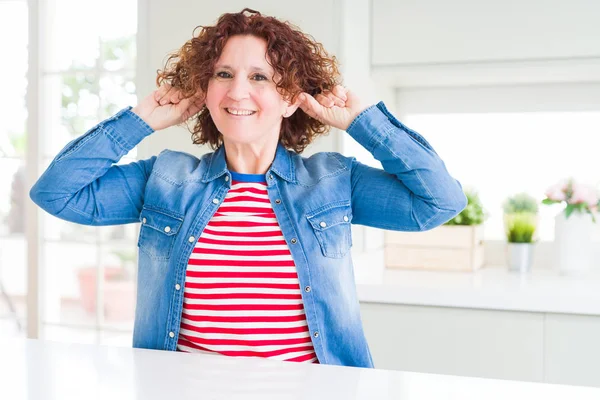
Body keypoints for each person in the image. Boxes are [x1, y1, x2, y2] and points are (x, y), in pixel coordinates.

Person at [30, 8, 466, 367]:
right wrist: (139, 121)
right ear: (205, 91)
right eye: (223, 73)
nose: (238, 90)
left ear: (291, 97)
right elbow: (56, 192)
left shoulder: (333, 181)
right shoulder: (164, 179)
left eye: (259, 77)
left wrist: (363, 122)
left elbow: (439, 201)